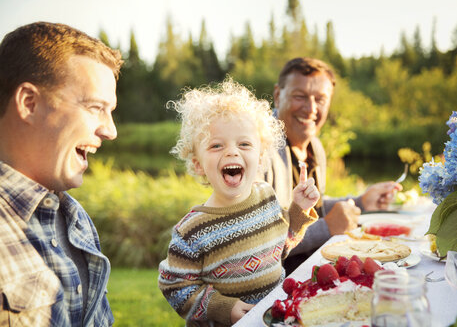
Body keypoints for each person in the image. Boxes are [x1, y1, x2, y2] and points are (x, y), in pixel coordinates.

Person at [158, 79, 320, 326]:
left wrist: (299, 208)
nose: (232, 152)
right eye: (216, 145)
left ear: (261, 155)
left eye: (244, 144)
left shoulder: (266, 196)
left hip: (274, 316)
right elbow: (176, 287)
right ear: (198, 164)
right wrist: (223, 307)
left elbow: (281, 245)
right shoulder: (192, 230)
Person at [0, 22, 122, 326]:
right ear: (29, 103)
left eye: (111, 111)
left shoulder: (75, 219)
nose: (110, 131)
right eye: (95, 107)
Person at [265, 57, 402, 274]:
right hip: (271, 288)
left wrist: (362, 202)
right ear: (278, 95)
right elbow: (257, 242)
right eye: (300, 96)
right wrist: (327, 227)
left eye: (320, 99)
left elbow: (310, 208)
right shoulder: (257, 148)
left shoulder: (315, 147)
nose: (311, 109)